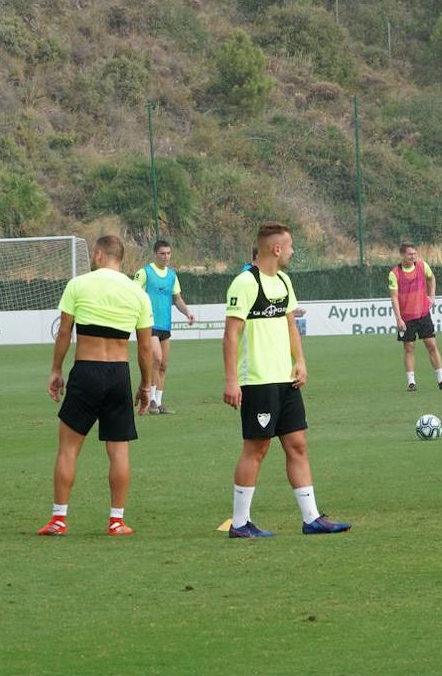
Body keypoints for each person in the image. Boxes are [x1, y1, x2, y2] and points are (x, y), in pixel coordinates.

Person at [224, 222, 351, 538]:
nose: (293, 251)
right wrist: (231, 380)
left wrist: (301, 361)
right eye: (290, 246)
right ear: (276, 248)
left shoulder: (283, 281)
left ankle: (312, 519)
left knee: (298, 444)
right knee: (257, 448)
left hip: (285, 380)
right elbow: (231, 335)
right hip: (258, 380)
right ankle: (240, 524)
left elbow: (291, 325)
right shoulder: (245, 283)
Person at [42, 235, 153, 536]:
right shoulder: (137, 293)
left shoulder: (79, 284)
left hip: (86, 372)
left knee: (68, 449)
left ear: (100, 254)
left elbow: (64, 332)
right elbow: (145, 348)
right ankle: (116, 520)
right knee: (119, 452)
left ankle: (59, 519)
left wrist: (56, 370)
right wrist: (147, 385)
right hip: (118, 374)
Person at [132, 240, 195, 414]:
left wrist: (187, 312)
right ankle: (150, 399)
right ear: (155, 254)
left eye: (168, 253)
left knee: (163, 365)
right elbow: (133, 294)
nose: (166, 256)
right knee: (156, 358)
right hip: (148, 324)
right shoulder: (144, 273)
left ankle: (158, 403)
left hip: (165, 325)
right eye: (162, 253)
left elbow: (177, 299)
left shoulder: (172, 276)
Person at [389, 243, 442, 392]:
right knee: (409, 347)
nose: (413, 256)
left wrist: (432, 296)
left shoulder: (422, 265)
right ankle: (411, 382)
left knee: (432, 345)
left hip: (423, 314)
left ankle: (441, 380)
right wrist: (399, 319)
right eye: (410, 254)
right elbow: (394, 298)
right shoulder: (394, 273)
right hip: (407, 317)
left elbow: (431, 278)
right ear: (402, 255)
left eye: (415, 254)